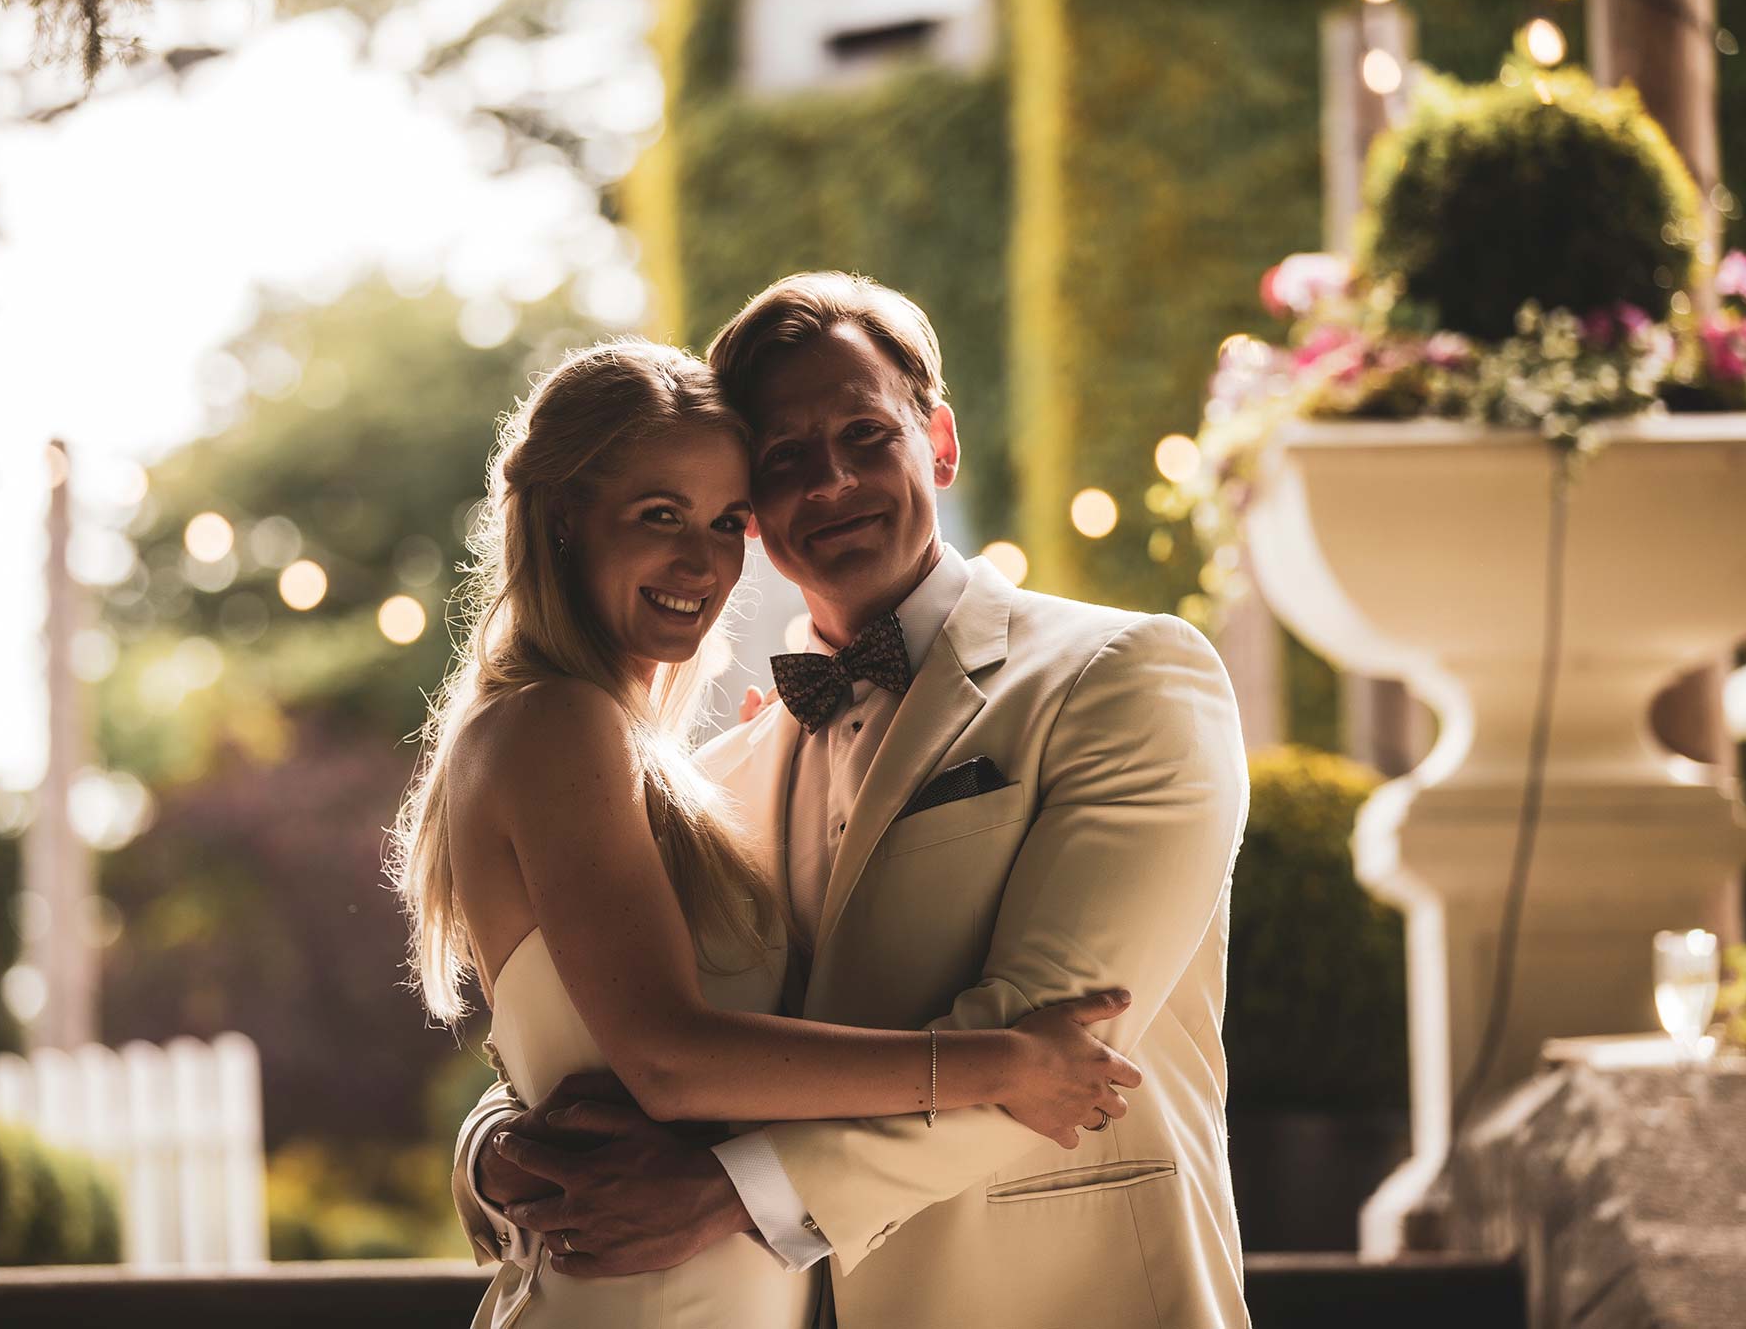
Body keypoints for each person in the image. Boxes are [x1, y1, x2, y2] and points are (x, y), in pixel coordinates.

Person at [452, 275, 1253, 1329]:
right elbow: (623, 1042)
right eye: (782, 460)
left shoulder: (1125, 676)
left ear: (942, 441)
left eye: (865, 434)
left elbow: (1058, 1049)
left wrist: (733, 1195)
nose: (827, 481)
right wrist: (495, 1154)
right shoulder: (718, 774)